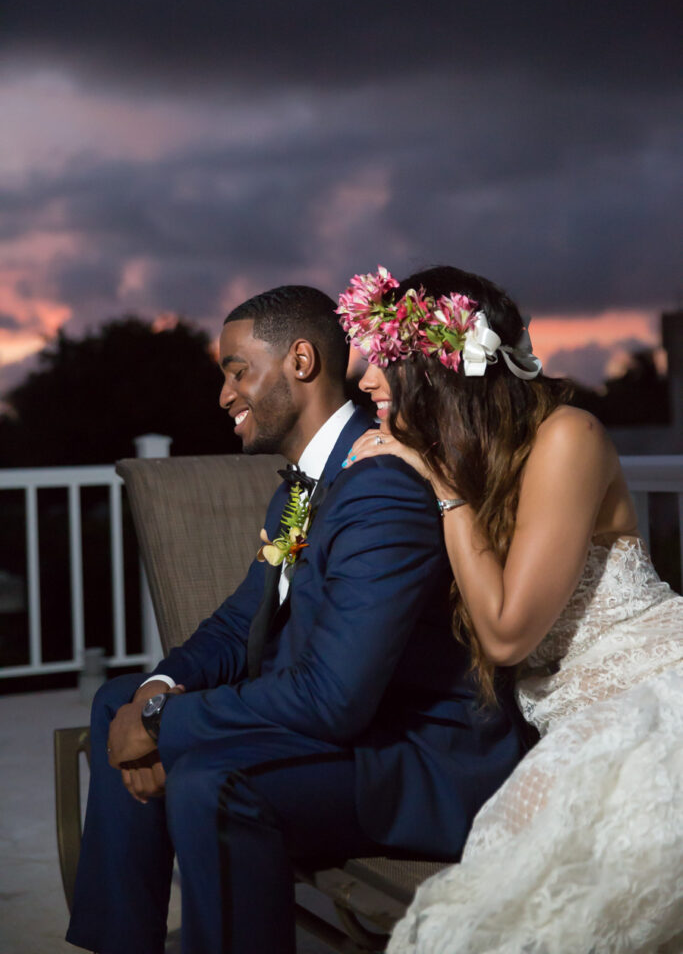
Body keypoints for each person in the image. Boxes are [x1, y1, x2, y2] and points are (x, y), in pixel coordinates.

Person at [66, 284, 531, 954]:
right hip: (340, 716)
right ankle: (119, 944)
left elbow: (336, 698)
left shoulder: (380, 486)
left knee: (207, 779)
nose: (224, 396)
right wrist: (158, 692)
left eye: (236, 371)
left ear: (302, 362)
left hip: (410, 754)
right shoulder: (301, 487)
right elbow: (241, 621)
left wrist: (166, 728)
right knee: (119, 696)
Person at [338, 265, 683, 954]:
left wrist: (437, 484)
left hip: (657, 690)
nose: (365, 380)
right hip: (558, 717)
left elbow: (503, 634)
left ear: (437, 369)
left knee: (540, 900)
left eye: (383, 361)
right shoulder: (475, 463)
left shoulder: (566, 437)